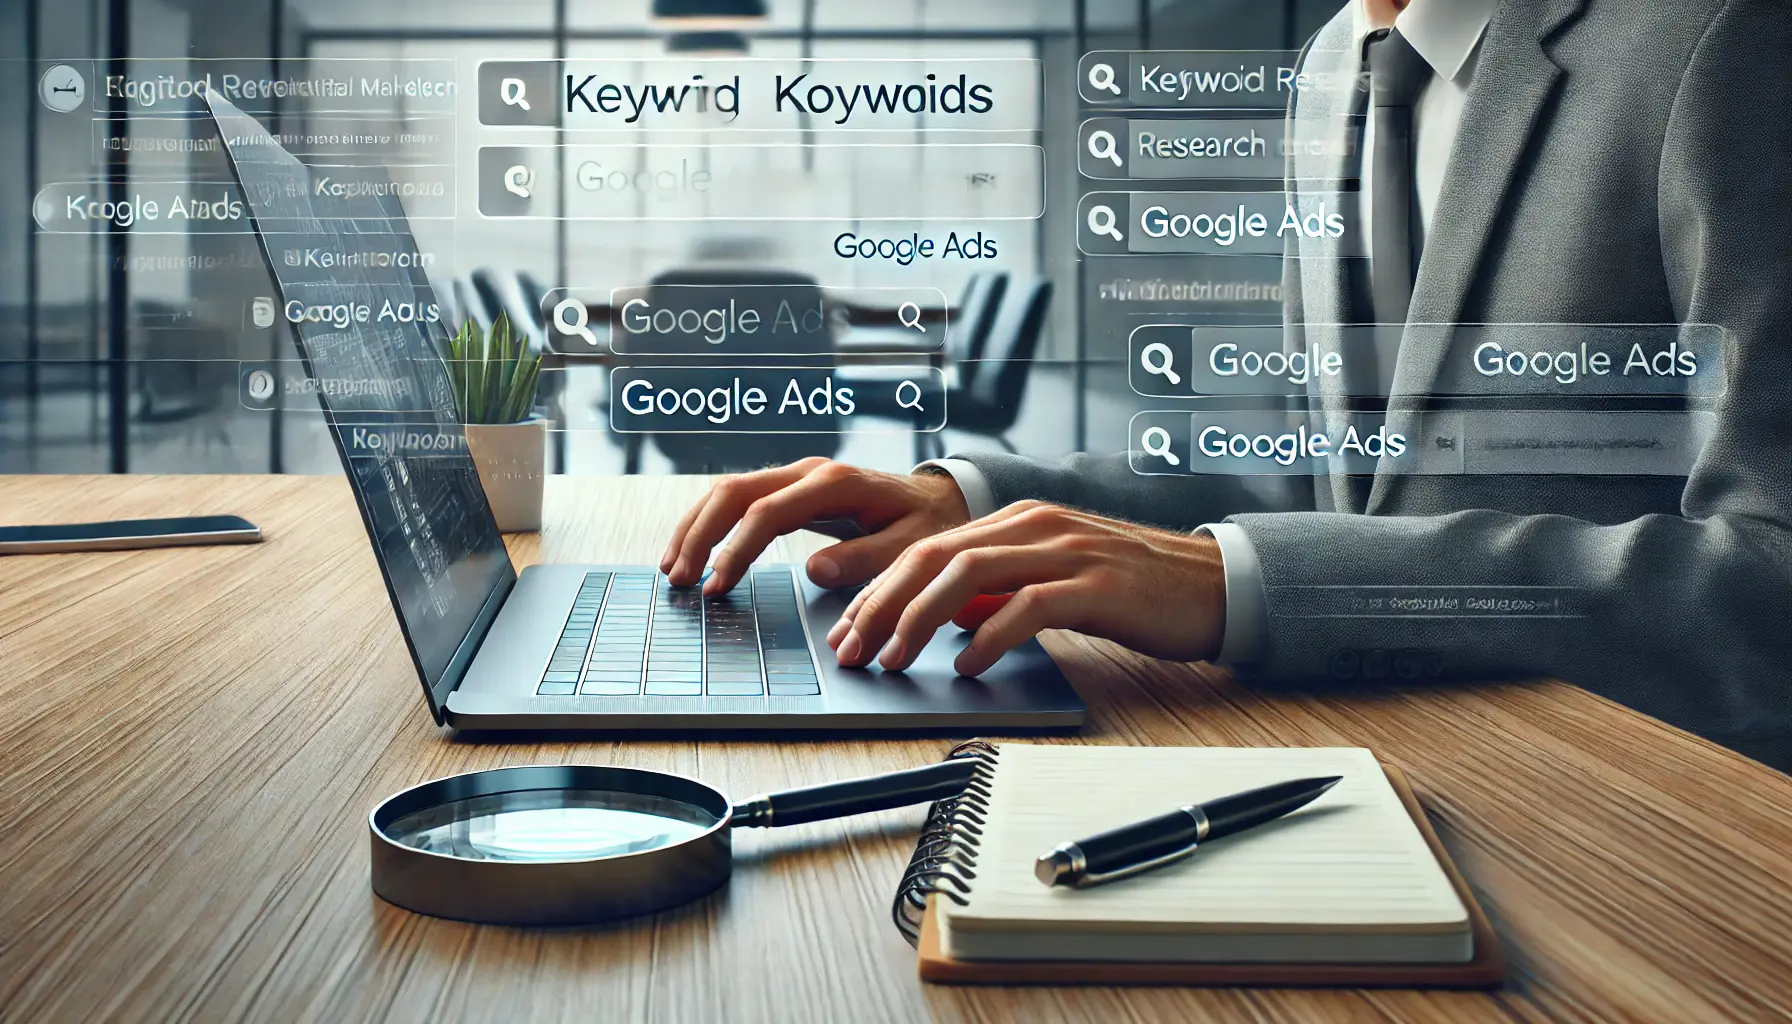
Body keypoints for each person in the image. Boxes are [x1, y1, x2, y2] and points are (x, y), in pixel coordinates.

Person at [660, 0, 1792, 768]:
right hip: (1403, 766)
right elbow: (1332, 493)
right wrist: (975, 496)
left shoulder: (1723, 39)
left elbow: (1771, 581)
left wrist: (1233, 578)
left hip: (1654, 834)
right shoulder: (1334, 62)